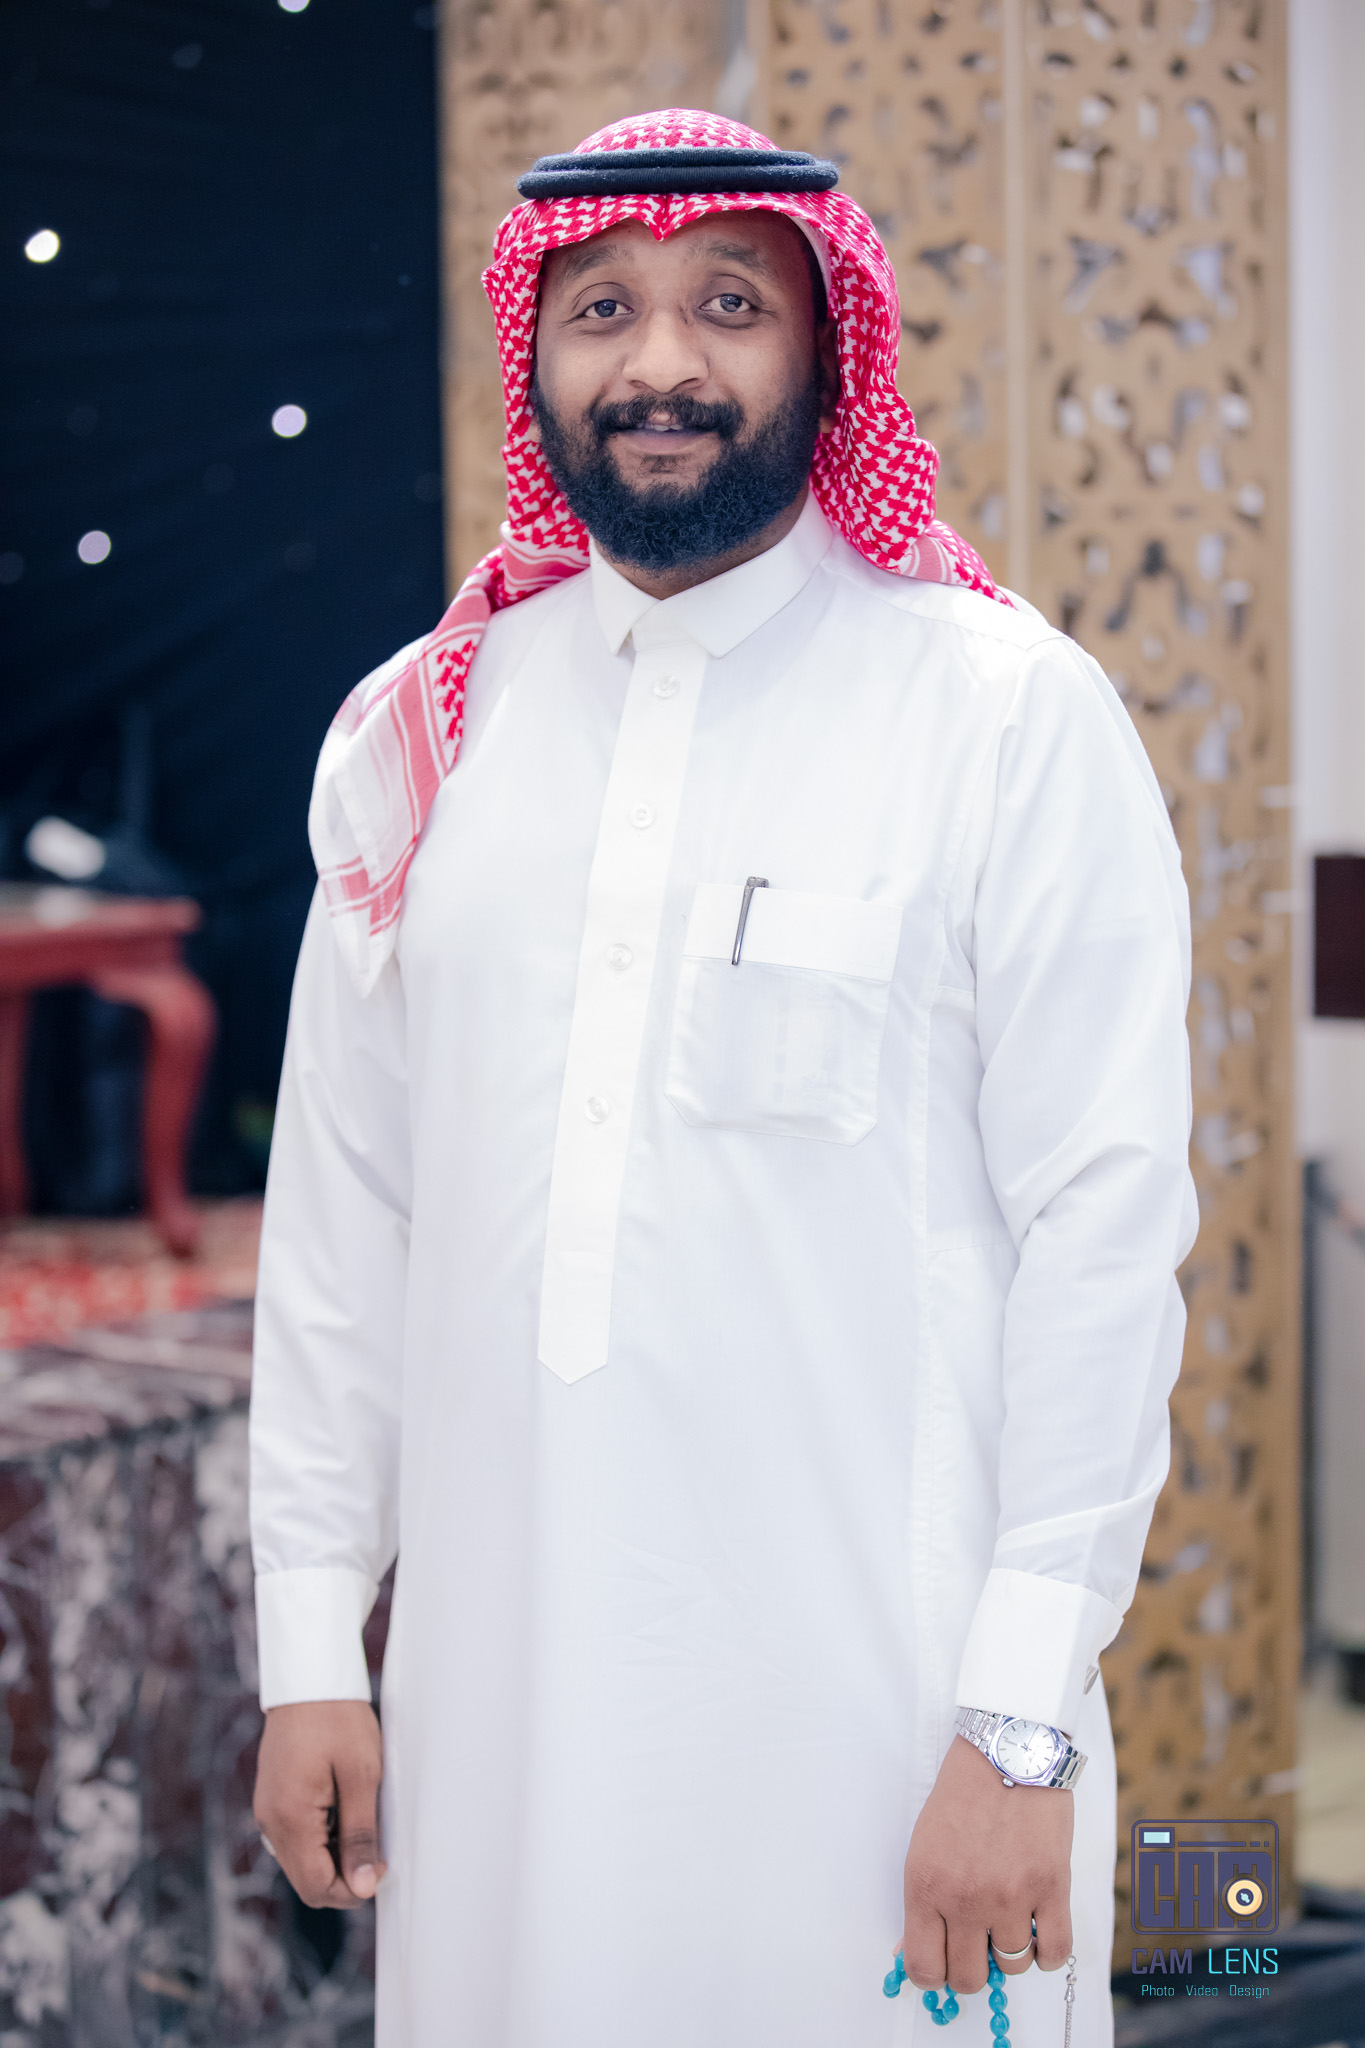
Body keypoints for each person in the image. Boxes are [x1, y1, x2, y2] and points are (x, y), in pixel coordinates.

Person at [249, 109, 1197, 2048]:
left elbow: (1103, 1241)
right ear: (533, 356)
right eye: (600, 309)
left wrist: (1014, 1726)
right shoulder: (422, 733)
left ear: (827, 347)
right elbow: (343, 1223)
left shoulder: (999, 713)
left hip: (886, 1737)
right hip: (498, 1730)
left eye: (727, 306)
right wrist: (308, 1643)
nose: (659, 362)